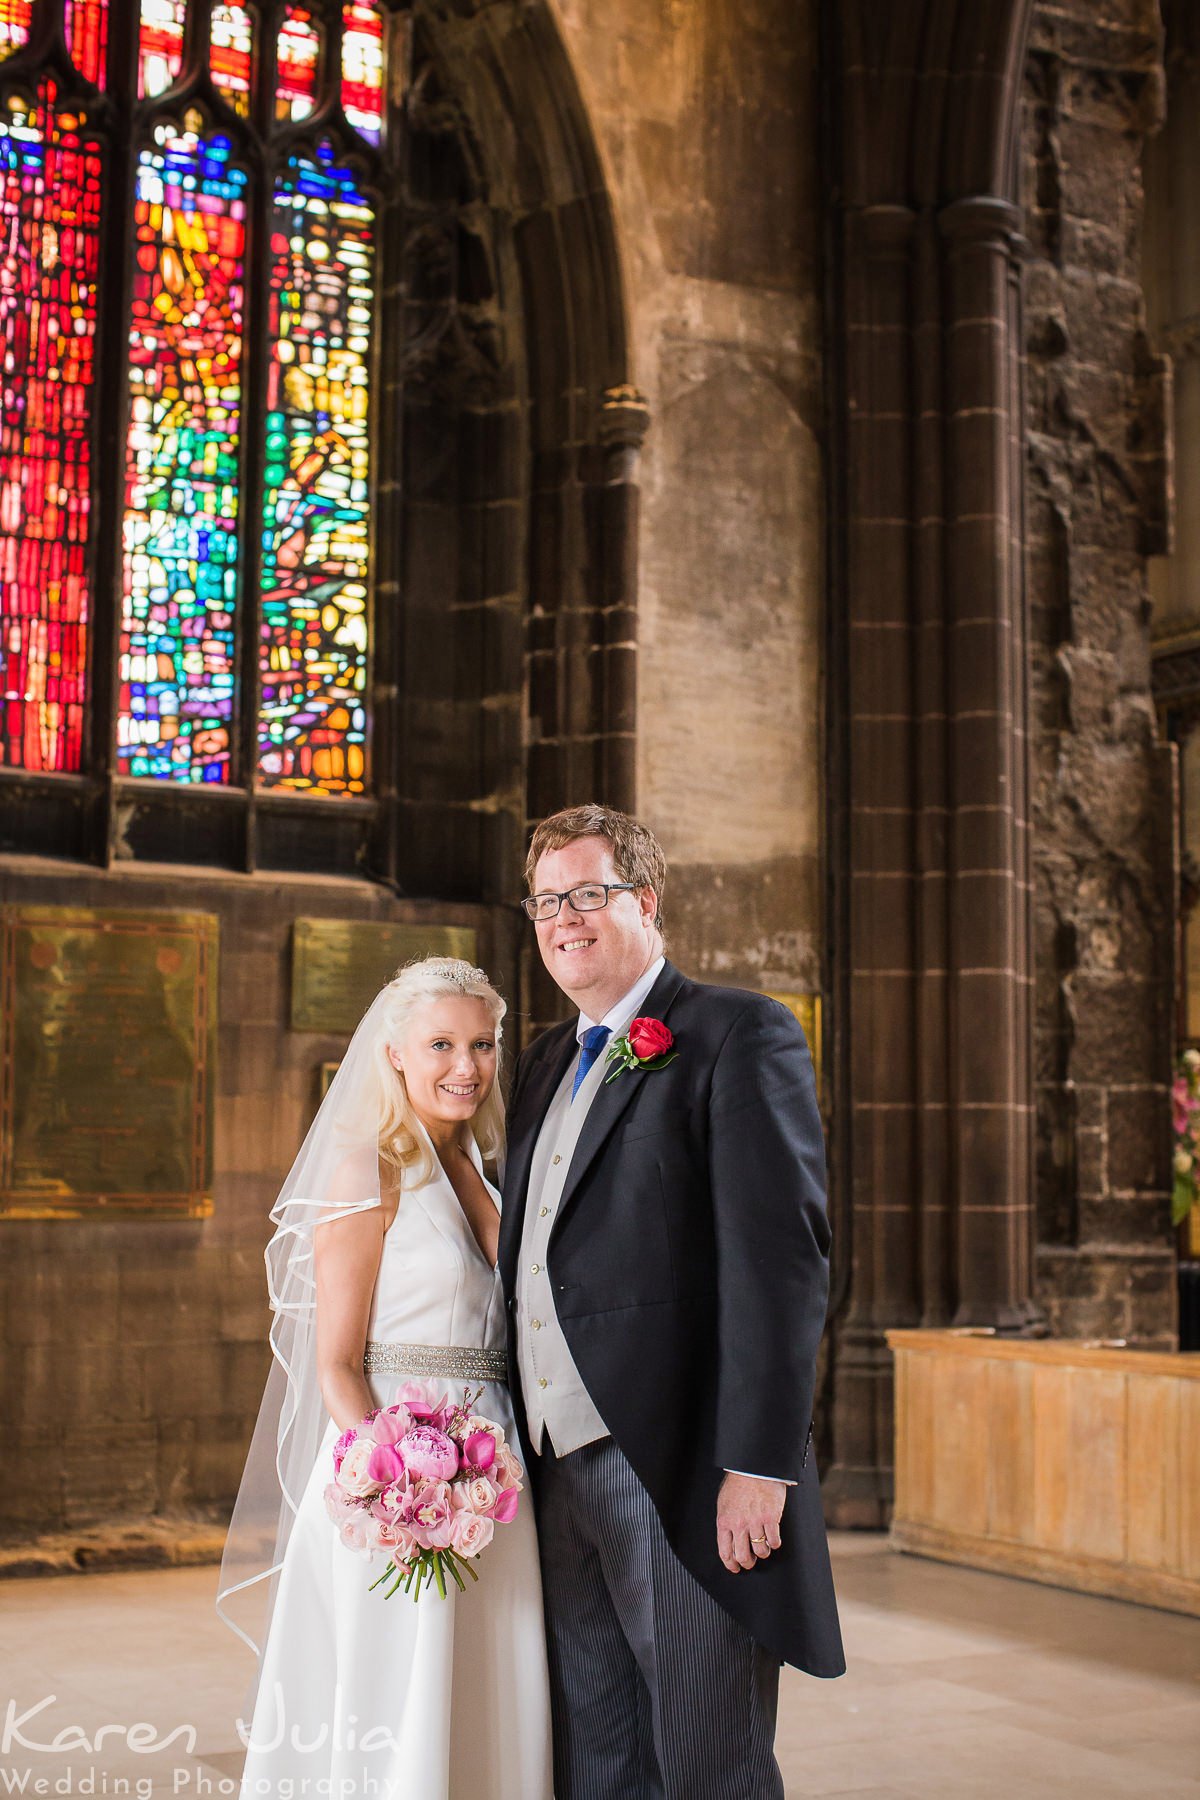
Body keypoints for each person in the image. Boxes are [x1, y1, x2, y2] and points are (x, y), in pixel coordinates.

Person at [500, 803, 845, 1800]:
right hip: (557, 1471)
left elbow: (781, 1261)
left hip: (681, 1469)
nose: (564, 917)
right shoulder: (539, 1069)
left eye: (588, 893)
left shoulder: (736, 1032)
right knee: (599, 1764)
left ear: (645, 902)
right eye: (545, 901)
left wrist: (758, 1463)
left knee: (707, 1767)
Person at [218, 957, 553, 1799]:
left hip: (495, 1475)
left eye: (482, 1044)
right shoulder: (369, 1172)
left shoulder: (489, 1173)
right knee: (399, 1690)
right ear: (396, 1053)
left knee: (487, 1685)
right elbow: (333, 1362)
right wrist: (397, 1486)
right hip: (397, 1481)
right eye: (440, 1043)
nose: (465, 1066)